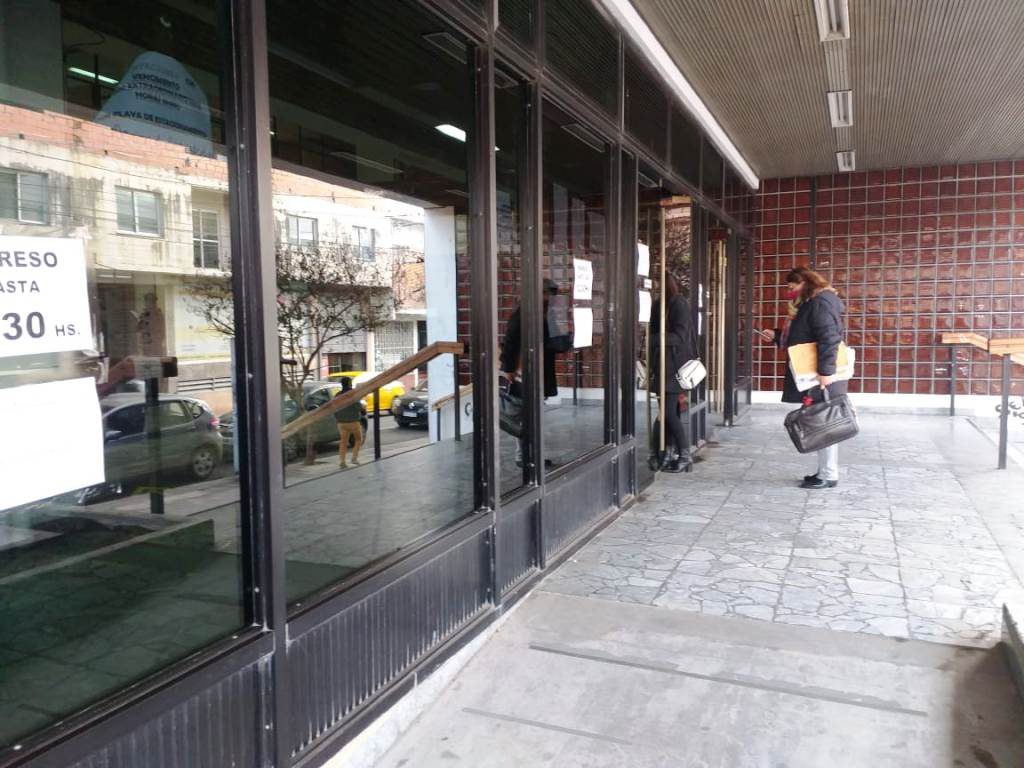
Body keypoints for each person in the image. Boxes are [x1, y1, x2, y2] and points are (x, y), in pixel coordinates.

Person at [763, 266, 847, 489]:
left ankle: (828, 474)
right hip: (815, 371)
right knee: (820, 420)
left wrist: (826, 372)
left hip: (821, 374)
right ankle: (824, 471)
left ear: (805, 283)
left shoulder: (820, 303)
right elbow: (805, 334)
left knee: (824, 422)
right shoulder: (814, 302)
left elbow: (829, 338)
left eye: (793, 287)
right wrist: (778, 336)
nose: (790, 292)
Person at [499, 278, 569, 469]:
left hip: (539, 370)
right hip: (525, 371)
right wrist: (508, 368)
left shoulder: (546, 314)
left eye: (551, 294)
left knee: (531, 416)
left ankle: (527, 456)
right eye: (546, 293)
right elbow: (510, 342)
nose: (549, 297)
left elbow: (555, 342)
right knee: (526, 415)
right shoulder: (524, 314)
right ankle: (525, 454)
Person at [648, 273, 698, 473]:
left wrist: (653, 338)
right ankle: (667, 452)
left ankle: (683, 455)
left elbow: (680, 336)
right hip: (661, 366)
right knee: (667, 413)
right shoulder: (658, 304)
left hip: (673, 368)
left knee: (667, 413)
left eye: (656, 283)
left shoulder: (679, 304)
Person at [333, 377, 364, 468]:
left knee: (343, 442)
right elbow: (358, 407)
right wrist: (362, 408)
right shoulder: (353, 394)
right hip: (353, 421)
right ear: (350, 383)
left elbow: (334, 408)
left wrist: (338, 418)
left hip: (341, 423)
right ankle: (354, 458)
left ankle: (342, 462)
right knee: (358, 440)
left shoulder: (337, 395)